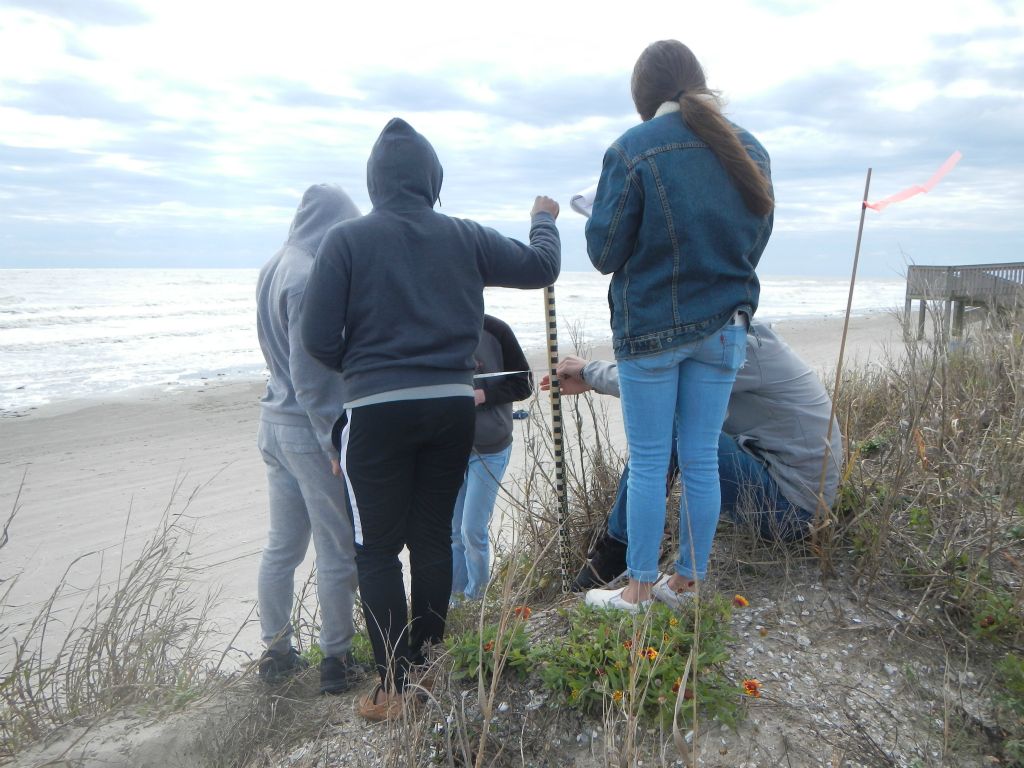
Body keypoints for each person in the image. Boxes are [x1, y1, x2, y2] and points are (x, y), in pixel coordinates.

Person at [300, 118, 561, 721]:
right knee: (432, 538)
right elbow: (540, 268)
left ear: (374, 181)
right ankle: (427, 672)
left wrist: (366, 370)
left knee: (376, 551)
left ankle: (391, 688)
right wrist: (543, 219)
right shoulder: (463, 236)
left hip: (376, 413)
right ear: (432, 179)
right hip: (450, 408)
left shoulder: (345, 242)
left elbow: (315, 339)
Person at [584, 40, 774, 613]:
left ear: (643, 98)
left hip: (651, 331)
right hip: (725, 327)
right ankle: (686, 584)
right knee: (697, 460)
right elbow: (754, 239)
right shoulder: (751, 149)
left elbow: (604, 250)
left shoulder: (633, 149)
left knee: (648, 461)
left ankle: (638, 589)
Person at [542, 322, 844, 590]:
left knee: (677, 425)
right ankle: (638, 538)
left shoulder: (743, 349)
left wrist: (589, 371)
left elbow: (657, 387)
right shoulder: (736, 337)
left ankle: (619, 550)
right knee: (686, 424)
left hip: (792, 513)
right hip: (791, 495)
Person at [255, 184, 362, 694]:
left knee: (282, 547)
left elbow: (280, 362)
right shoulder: (305, 277)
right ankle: (336, 662)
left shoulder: (275, 263)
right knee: (337, 547)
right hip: (303, 427)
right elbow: (310, 375)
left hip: (272, 421)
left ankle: (276, 651)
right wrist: (331, 439)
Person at [451, 315, 533, 602]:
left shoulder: (497, 331)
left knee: (472, 530)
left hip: (491, 447)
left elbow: (524, 385)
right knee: (453, 534)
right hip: (448, 449)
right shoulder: (432, 329)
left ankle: (478, 601)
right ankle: (456, 602)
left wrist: (482, 395)